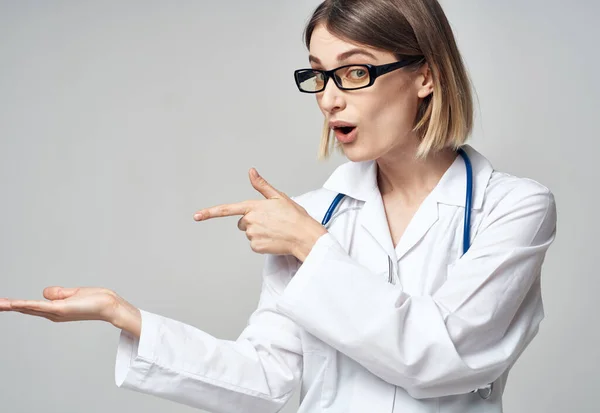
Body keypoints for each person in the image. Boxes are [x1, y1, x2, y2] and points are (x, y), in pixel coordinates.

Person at [0, 1, 557, 412]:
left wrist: (311, 247)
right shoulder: (314, 212)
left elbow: (438, 358)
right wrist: (127, 318)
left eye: (355, 71)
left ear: (426, 76)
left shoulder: (510, 209)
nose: (329, 97)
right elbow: (270, 379)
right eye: (319, 73)